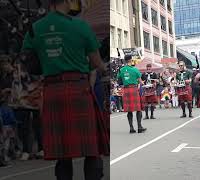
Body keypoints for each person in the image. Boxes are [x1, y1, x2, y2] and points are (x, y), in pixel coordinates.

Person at [21, 0, 109, 179]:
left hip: (53, 91)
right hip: (78, 90)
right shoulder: (80, 26)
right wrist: (102, 67)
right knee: (91, 150)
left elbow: (27, 61)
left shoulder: (36, 28)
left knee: (63, 154)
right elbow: (97, 63)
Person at [117, 55, 147, 133]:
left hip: (126, 90)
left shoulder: (121, 70)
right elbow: (140, 81)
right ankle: (139, 127)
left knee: (129, 110)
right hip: (133, 89)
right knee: (138, 109)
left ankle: (131, 128)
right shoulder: (135, 69)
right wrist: (142, 83)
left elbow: (119, 80)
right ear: (131, 60)